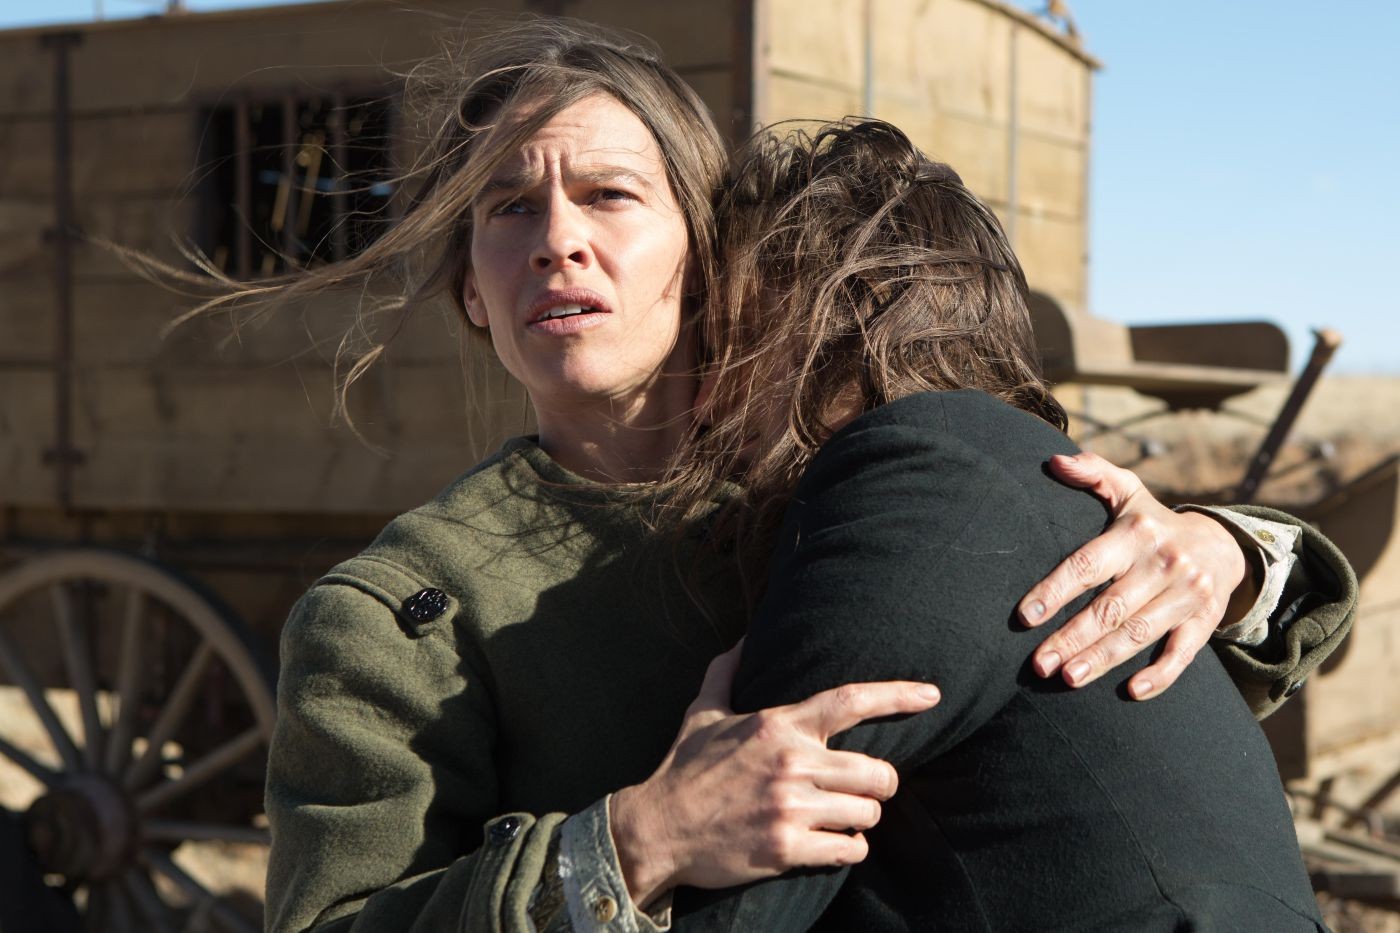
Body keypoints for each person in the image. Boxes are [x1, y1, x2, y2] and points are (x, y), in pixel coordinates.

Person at [252, 19, 1355, 932]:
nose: (555, 241)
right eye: (506, 209)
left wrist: (1224, 552)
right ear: (470, 295)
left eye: (609, 196)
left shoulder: (858, 485)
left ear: (702, 249)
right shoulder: (395, 621)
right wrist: (631, 846)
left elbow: (1081, 688)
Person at [668, 118, 1336, 930]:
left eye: (735, 347)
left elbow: (736, 906)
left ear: (833, 324)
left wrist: (645, 838)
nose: (705, 402)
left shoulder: (914, 471)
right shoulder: (1019, 478)